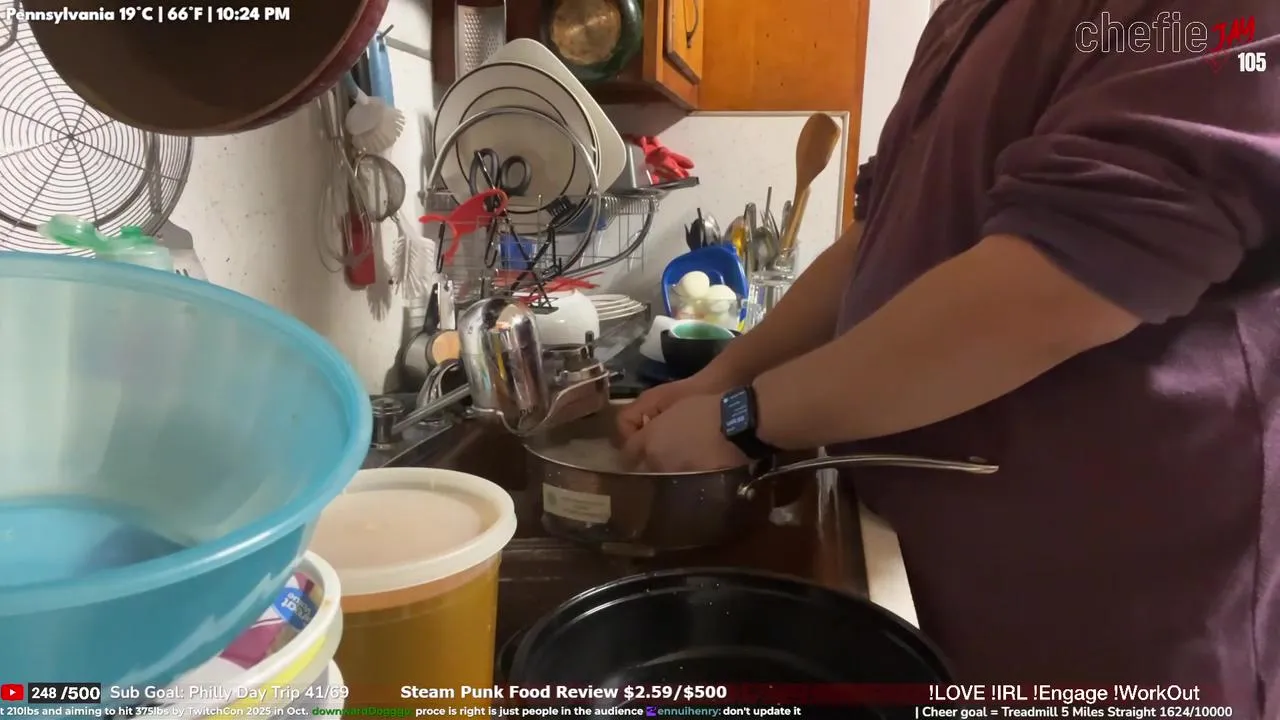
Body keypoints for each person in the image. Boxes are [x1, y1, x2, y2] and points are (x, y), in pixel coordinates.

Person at [616, 0, 1280, 712]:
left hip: (1108, 629)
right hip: (932, 591)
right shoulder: (965, 13)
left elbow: (1053, 288)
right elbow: (874, 235)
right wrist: (724, 377)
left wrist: (743, 418)